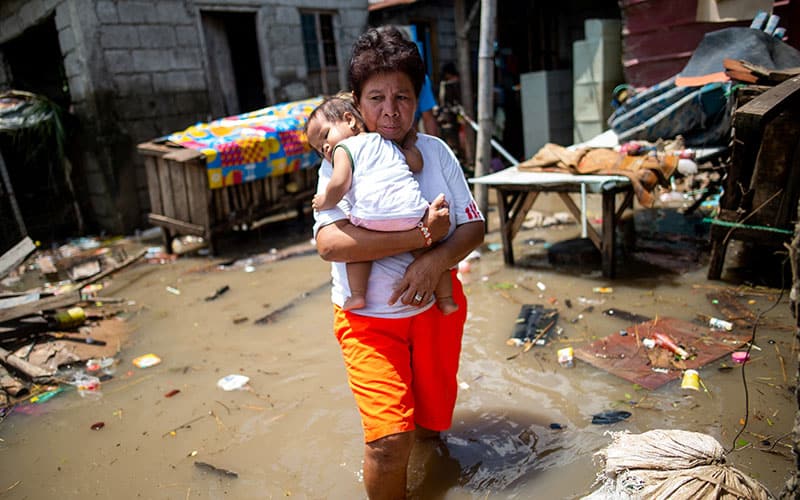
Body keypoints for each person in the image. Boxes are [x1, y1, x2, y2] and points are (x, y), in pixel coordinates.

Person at [313, 26, 485, 499]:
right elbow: (330, 244)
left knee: (430, 428)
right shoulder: (341, 158)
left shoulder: (435, 151)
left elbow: (474, 226)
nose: (391, 110)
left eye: (403, 96)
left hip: (435, 314)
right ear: (355, 103)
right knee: (389, 442)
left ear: (417, 97)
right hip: (368, 320)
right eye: (376, 97)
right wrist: (423, 237)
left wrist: (436, 263)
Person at [307, 95, 457, 315]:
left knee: (358, 254)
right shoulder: (385, 140)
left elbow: (339, 183)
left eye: (325, 137)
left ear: (350, 120)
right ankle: (446, 299)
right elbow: (416, 164)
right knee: (429, 255)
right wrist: (409, 146)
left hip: (370, 219)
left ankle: (357, 295)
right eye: (320, 150)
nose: (325, 149)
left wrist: (324, 200)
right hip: (411, 214)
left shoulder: (344, 149)